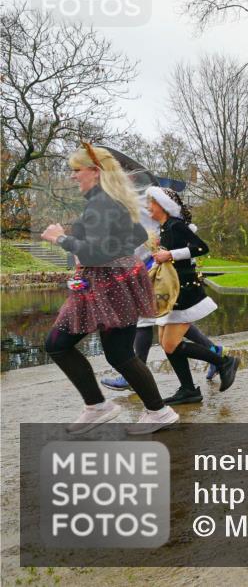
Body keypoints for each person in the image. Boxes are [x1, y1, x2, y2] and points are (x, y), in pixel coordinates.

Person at [40, 143, 178, 434]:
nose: (73, 177)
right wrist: (117, 256)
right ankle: (157, 411)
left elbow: (95, 253)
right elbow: (138, 234)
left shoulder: (101, 203)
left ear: (95, 171)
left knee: (57, 344)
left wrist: (60, 239)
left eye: (77, 171)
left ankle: (99, 406)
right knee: (119, 353)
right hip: (117, 282)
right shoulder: (110, 199)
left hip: (106, 284)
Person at [147, 186, 240, 404]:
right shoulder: (164, 228)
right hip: (173, 291)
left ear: (162, 205)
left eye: (151, 202)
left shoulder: (175, 225)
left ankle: (224, 362)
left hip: (185, 291)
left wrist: (170, 254)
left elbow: (201, 247)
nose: (147, 206)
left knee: (170, 344)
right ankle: (188, 389)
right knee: (164, 342)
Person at [101, 242, 229, 391]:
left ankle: (134, 377)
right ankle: (213, 351)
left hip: (153, 271)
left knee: (145, 321)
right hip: (150, 269)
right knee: (171, 321)